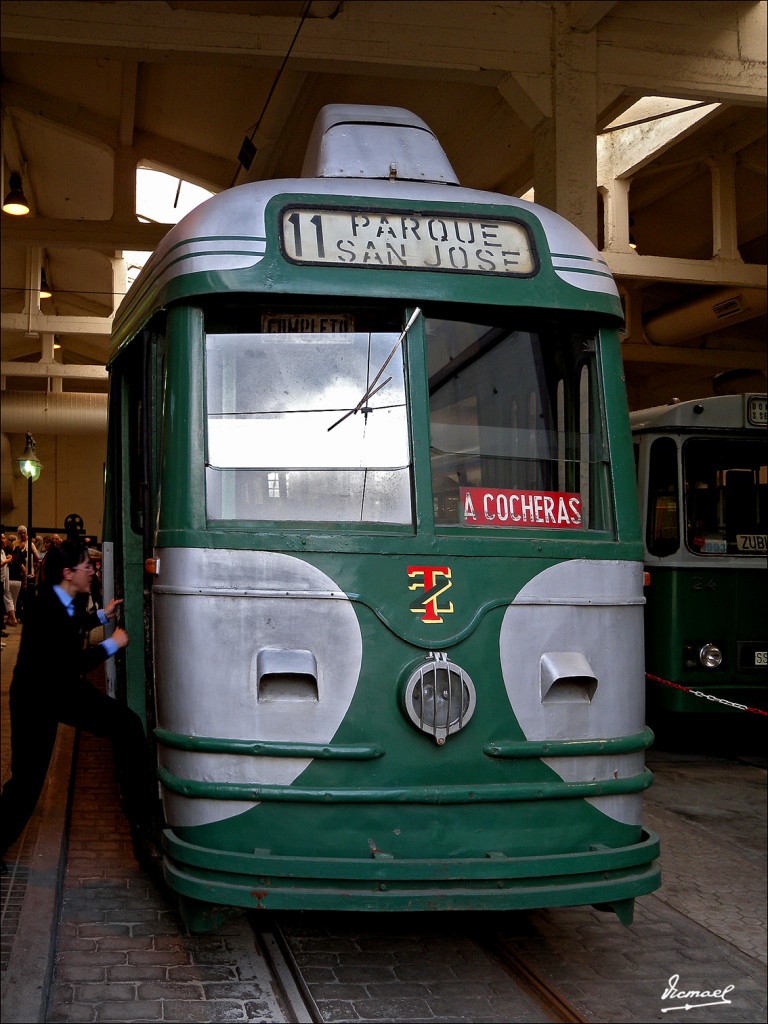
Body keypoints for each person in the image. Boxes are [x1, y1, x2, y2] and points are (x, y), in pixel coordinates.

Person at [0, 540, 159, 875]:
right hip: (38, 699)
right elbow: (72, 662)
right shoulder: (47, 607)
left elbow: (72, 624)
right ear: (68, 573)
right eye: (86, 565)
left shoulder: (65, 597)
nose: (92, 568)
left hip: (56, 691)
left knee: (127, 726)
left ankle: (142, 813)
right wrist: (111, 645)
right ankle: (144, 816)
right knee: (26, 784)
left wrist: (101, 615)